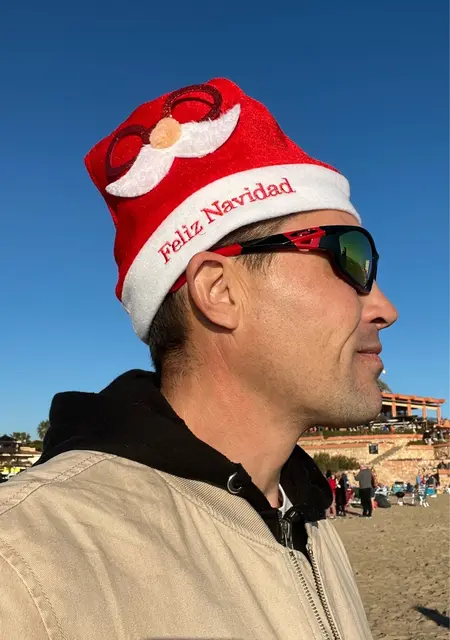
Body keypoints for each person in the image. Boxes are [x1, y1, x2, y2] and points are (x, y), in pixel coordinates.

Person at [0, 78, 397, 639]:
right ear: (220, 290)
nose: (384, 308)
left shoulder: (305, 515)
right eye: (351, 258)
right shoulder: (25, 563)